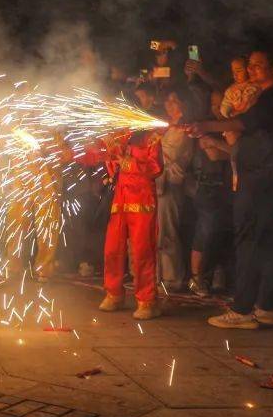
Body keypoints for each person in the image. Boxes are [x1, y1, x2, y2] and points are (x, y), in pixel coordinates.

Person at [188, 51, 273, 329]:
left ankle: (243, 309)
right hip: (266, 177)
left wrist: (206, 125)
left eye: (259, 65)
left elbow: (243, 123)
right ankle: (269, 306)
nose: (252, 69)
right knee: (267, 240)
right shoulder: (268, 96)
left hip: (261, 178)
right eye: (250, 66)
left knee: (248, 238)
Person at [79, 128, 164, 319]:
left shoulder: (151, 137)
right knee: (112, 248)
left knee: (142, 250)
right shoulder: (117, 136)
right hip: (120, 198)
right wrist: (96, 149)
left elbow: (156, 167)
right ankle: (114, 293)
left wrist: (128, 162)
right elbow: (98, 158)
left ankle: (147, 300)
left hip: (142, 199)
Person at [187, 91, 234, 296]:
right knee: (205, 233)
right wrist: (229, 148)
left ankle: (216, 276)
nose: (217, 108)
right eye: (214, 104)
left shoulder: (229, 127)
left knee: (221, 234)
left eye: (220, 104)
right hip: (208, 188)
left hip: (226, 188)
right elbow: (215, 155)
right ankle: (197, 278)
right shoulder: (205, 128)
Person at [156, 89, 194, 293]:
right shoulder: (168, 127)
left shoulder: (183, 129)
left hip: (170, 185)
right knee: (159, 232)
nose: (169, 105)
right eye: (167, 101)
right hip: (159, 183)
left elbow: (171, 156)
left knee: (168, 231)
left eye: (174, 100)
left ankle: (173, 278)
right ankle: (160, 275)